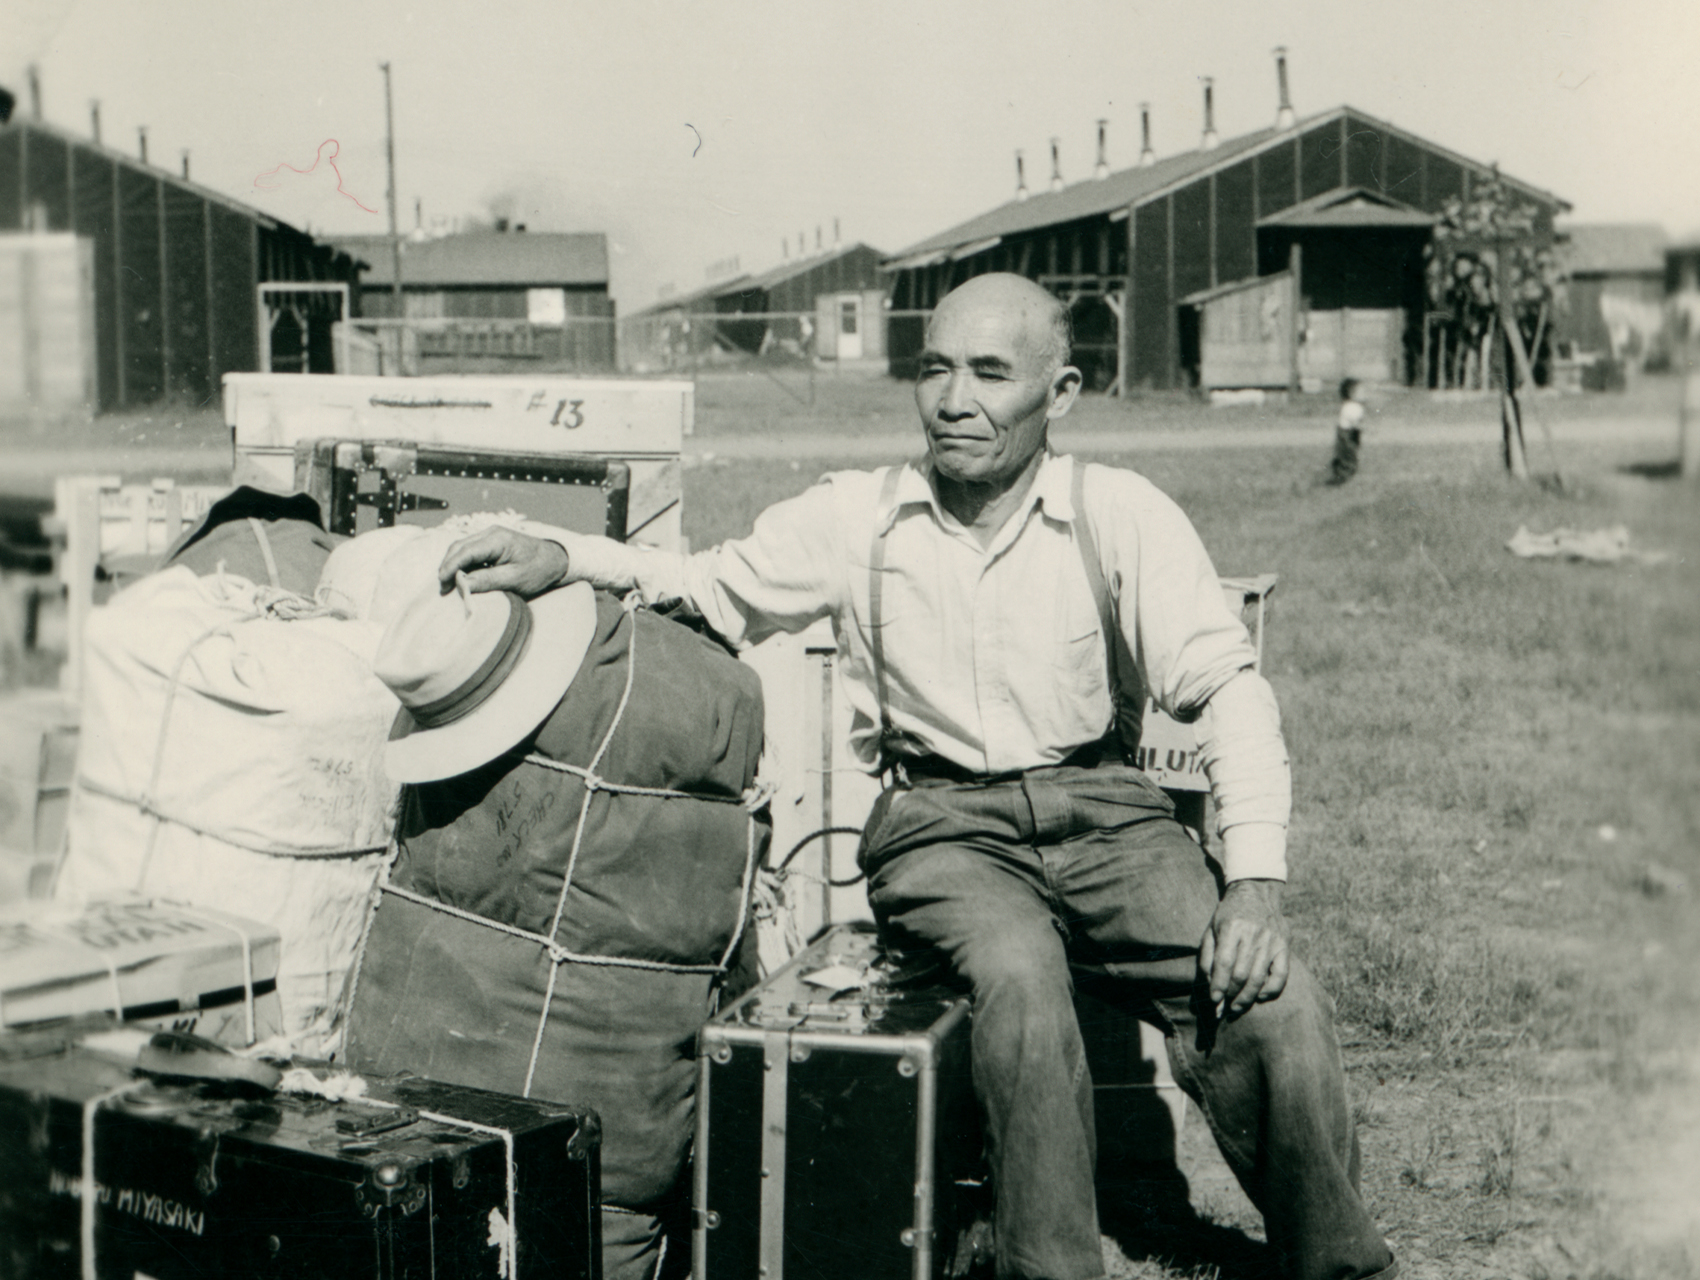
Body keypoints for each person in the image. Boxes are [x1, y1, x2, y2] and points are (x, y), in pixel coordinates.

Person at [437, 273, 1397, 1280]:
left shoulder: (1118, 512)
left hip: (1105, 811)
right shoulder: (859, 517)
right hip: (940, 826)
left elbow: (1229, 690)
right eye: (934, 368)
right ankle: (1052, 1266)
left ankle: (1336, 1261)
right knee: (1019, 980)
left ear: (1058, 393)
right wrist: (561, 553)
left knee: (1265, 998)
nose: (953, 399)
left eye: (989, 372)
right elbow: (705, 585)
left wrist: (1251, 885)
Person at [1327, 377, 1367, 485]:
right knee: (1348, 454)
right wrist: (1362, 428)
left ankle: (1341, 471)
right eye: (1361, 392)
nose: (1364, 394)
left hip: (1349, 432)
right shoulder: (1351, 406)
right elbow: (1354, 423)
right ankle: (1341, 476)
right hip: (1347, 434)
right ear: (1351, 394)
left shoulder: (1355, 406)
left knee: (1349, 453)